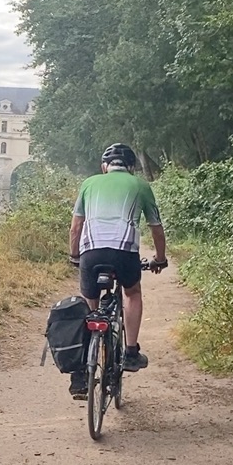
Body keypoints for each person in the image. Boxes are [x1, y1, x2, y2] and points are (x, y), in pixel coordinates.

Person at [67, 143, 167, 399]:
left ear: (105, 167)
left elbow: (76, 227)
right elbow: (156, 228)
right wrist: (160, 259)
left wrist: (75, 256)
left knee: (89, 303)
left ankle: (82, 370)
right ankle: (131, 352)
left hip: (91, 253)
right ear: (131, 168)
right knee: (132, 293)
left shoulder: (88, 184)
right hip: (124, 253)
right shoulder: (141, 185)